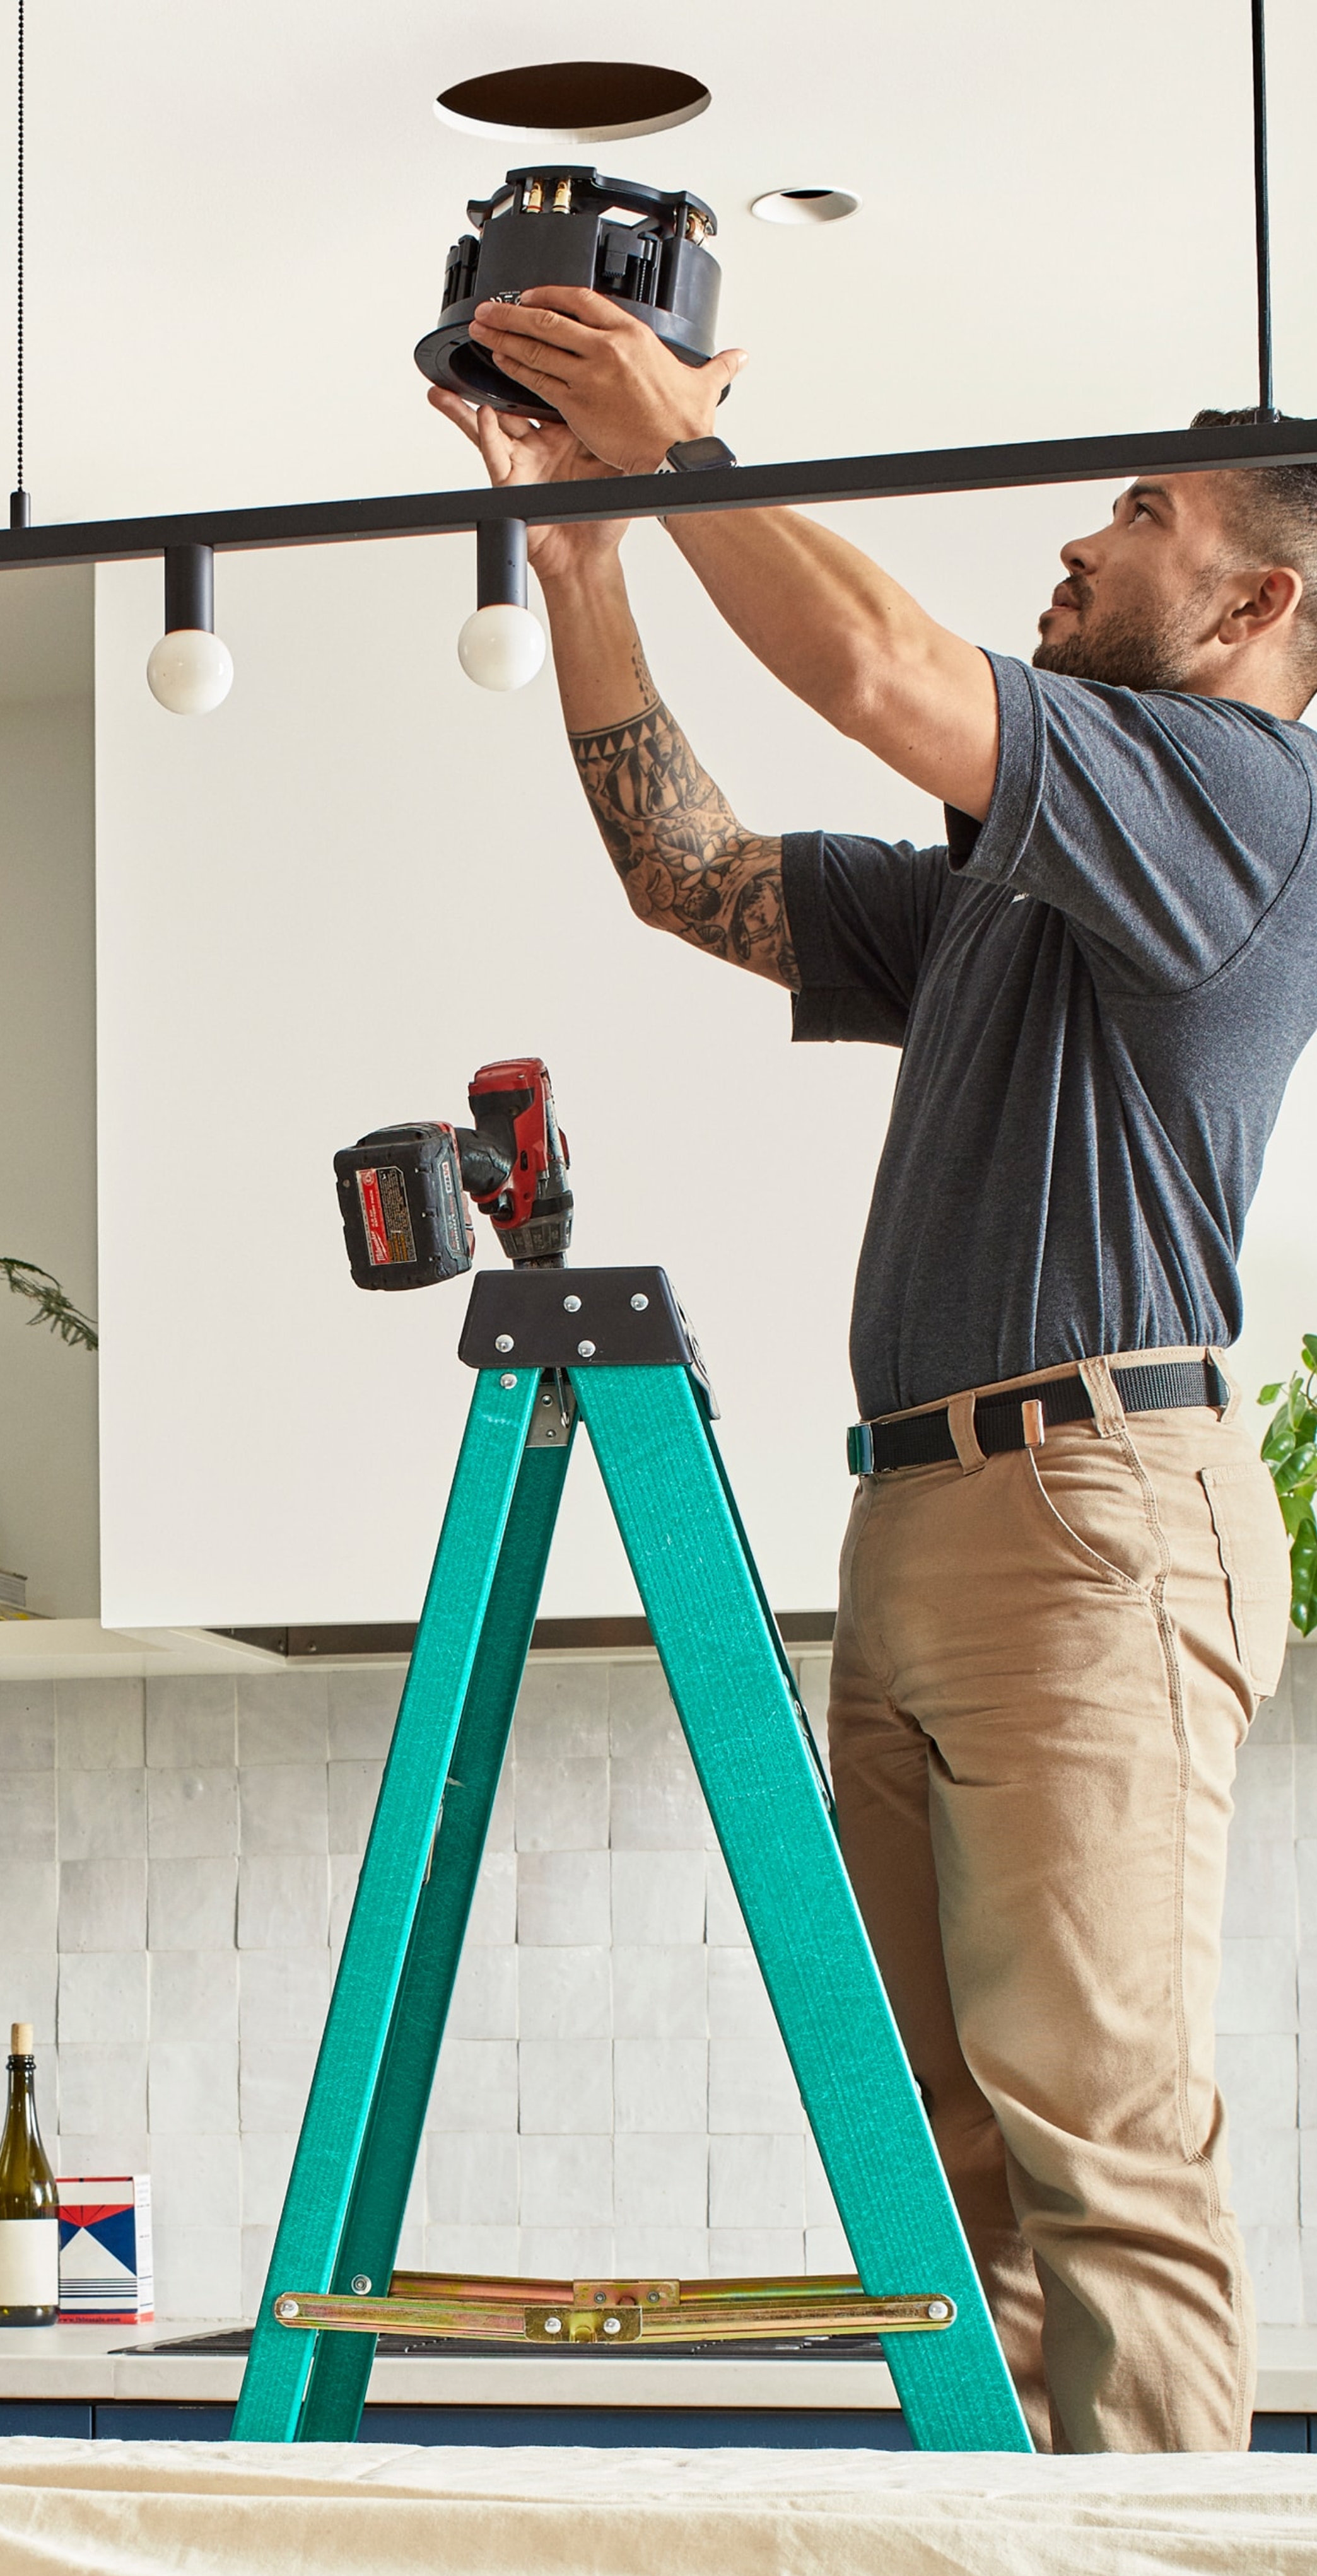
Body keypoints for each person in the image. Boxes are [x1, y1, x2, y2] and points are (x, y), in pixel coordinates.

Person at [436, 288, 1309, 2452]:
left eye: (1142, 512)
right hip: (927, 1510)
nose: (1083, 544)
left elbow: (878, 672)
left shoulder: (1246, 798)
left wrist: (678, 456)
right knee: (944, 2179)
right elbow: (691, 876)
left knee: (1102, 2154)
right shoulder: (1040, 873)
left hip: (1096, 1511)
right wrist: (587, 563)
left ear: (1261, 600)